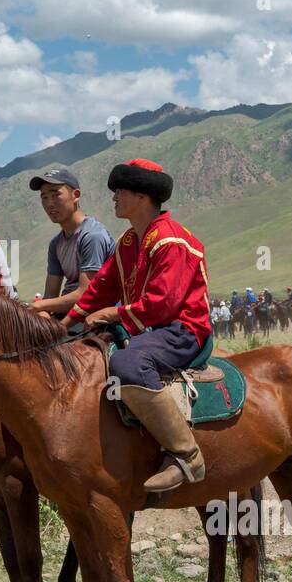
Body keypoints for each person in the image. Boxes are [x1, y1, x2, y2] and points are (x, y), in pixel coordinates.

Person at [63, 158, 211, 492]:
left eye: (120, 192)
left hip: (181, 330)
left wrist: (111, 315)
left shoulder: (172, 241)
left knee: (127, 362)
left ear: (142, 197)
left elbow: (163, 304)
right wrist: (66, 324)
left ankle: (186, 454)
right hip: (147, 329)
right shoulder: (129, 241)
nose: (114, 198)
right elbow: (102, 287)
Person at [27, 166, 114, 318]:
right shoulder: (55, 244)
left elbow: (85, 295)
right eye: (44, 197)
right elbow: (50, 295)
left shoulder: (92, 236)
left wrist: (39, 305)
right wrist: (42, 312)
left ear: (76, 195)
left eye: (55, 195)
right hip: (66, 312)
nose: (49, 204)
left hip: (95, 314)